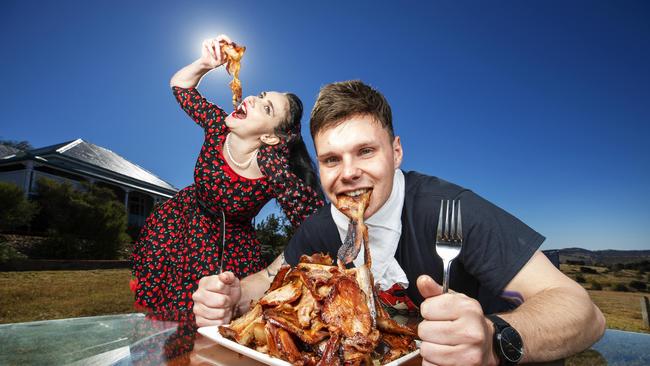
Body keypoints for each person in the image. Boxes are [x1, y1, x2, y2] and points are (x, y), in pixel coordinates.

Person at [192, 80, 605, 365]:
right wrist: (231, 296)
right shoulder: (322, 226)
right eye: (332, 160)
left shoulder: (450, 212)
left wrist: (496, 338)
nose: (348, 173)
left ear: (397, 152)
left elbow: (582, 311)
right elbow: (268, 280)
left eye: (365, 152)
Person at [132, 35, 324, 320]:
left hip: (229, 246)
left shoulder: (272, 167)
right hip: (182, 224)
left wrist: (278, 269)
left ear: (270, 136)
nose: (252, 99)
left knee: (215, 318)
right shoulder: (217, 126)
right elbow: (180, 86)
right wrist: (205, 64)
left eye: (266, 108)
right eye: (259, 97)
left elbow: (313, 223)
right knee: (164, 314)